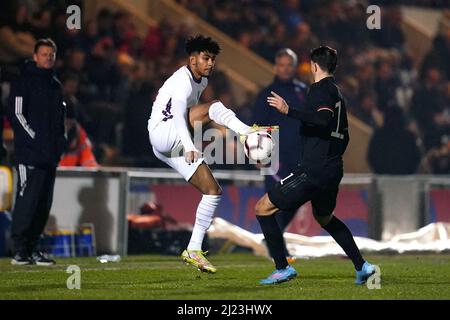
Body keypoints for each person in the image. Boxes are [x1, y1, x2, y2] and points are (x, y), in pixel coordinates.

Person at [254, 46, 376, 285]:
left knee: (263, 208)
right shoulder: (338, 94)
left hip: (313, 170)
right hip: (332, 168)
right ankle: (362, 265)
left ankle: (282, 268)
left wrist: (289, 111)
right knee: (325, 217)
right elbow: (345, 135)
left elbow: (322, 119)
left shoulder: (320, 90)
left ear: (314, 65)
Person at [147, 35, 253, 273]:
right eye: (206, 58)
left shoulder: (201, 81)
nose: (210, 63)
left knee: (212, 191)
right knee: (213, 107)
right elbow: (176, 117)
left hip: (169, 145)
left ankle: (193, 249)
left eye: (213, 59)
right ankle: (247, 132)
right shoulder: (182, 80)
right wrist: (190, 146)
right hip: (163, 134)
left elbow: (191, 117)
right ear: (192, 59)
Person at [8, 38, 66, 265]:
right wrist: (35, 139)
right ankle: (19, 251)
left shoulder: (55, 85)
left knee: (43, 204)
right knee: (26, 202)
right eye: (43, 54)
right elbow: (17, 115)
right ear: (35, 56)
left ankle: (33, 248)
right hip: (29, 155)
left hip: (49, 157)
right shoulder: (23, 81)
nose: (48, 58)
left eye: (51, 54)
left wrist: (60, 141)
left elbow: (60, 119)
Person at [253, 48, 307, 262]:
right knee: (276, 202)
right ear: (276, 67)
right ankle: (281, 253)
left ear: (294, 67)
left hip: (299, 157)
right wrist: (258, 155)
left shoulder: (303, 91)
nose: (285, 69)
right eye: (281, 64)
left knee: (297, 199)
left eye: (289, 65)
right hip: (275, 159)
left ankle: (272, 238)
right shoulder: (266, 94)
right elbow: (257, 124)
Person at [59, 103, 98, 167]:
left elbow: (88, 156)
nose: (67, 127)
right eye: (65, 123)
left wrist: (94, 171)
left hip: (69, 174)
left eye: (70, 123)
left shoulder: (78, 133)